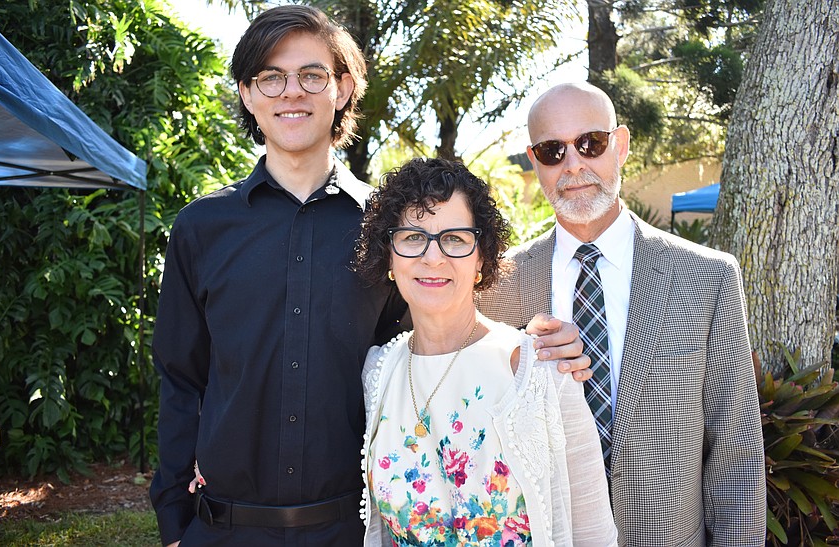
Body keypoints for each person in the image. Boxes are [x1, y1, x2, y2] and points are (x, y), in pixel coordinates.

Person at [149, 6, 590, 546]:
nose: (293, 92)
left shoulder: (392, 230)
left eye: (312, 75)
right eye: (271, 77)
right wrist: (173, 522)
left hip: (352, 531)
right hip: (221, 531)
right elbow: (180, 380)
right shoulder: (201, 228)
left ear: (343, 87)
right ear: (247, 92)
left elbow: (444, 325)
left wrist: (538, 348)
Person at [477, 82, 766, 545]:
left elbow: (737, 456)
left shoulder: (707, 278)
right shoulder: (495, 287)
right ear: (534, 162)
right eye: (553, 151)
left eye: (591, 143)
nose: (573, 165)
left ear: (621, 145)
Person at [354, 157, 618, 546]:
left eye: (455, 238)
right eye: (412, 237)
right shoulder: (379, 373)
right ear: (389, 256)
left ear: (481, 259)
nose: (433, 257)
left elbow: (593, 533)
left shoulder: (539, 369)